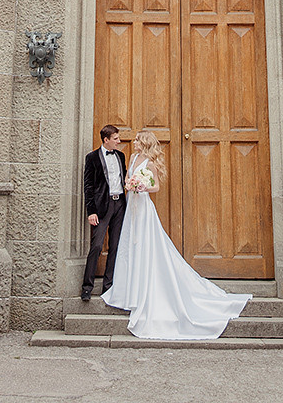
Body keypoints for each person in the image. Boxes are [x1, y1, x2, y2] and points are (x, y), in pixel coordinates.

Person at [102, 130, 251, 340]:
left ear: (144, 143)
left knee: (146, 244)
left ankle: (146, 291)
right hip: (132, 207)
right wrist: (129, 184)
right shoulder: (134, 158)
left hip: (144, 207)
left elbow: (156, 187)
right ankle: (128, 291)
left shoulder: (150, 164)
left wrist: (143, 186)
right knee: (130, 244)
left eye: (136, 140)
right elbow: (127, 178)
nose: (133, 142)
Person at [81, 123, 127, 301]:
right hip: (102, 207)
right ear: (106, 140)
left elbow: (123, 178)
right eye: (115, 139)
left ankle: (108, 286)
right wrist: (90, 211)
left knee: (115, 246)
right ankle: (87, 287)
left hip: (119, 205)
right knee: (97, 246)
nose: (119, 141)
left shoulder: (121, 156)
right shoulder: (92, 158)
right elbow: (89, 186)